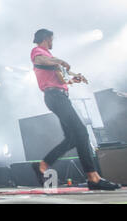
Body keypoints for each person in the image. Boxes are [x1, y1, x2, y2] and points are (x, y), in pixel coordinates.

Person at [30, 29, 121, 190]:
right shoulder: (39, 51)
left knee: (72, 138)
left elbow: (59, 79)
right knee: (81, 133)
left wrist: (72, 80)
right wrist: (62, 61)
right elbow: (41, 60)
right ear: (46, 38)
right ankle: (93, 177)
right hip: (55, 97)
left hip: (59, 96)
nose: (53, 42)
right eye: (52, 39)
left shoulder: (51, 59)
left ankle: (42, 165)